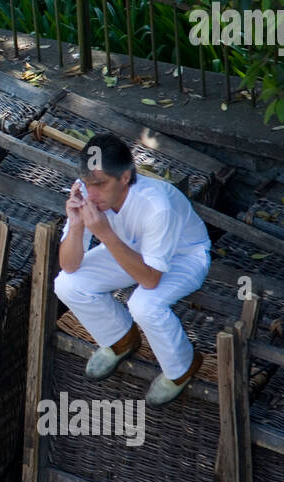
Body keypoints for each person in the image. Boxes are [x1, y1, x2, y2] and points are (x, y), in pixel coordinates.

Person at [54, 133, 212, 406]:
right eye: (88, 183)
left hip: (182, 257)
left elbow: (150, 280)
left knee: (143, 304)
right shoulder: (86, 191)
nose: (91, 194)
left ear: (125, 177)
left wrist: (104, 233)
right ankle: (121, 339)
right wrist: (77, 223)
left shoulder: (156, 206)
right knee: (66, 284)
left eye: (100, 185)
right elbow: (69, 264)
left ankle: (182, 367)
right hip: (129, 249)